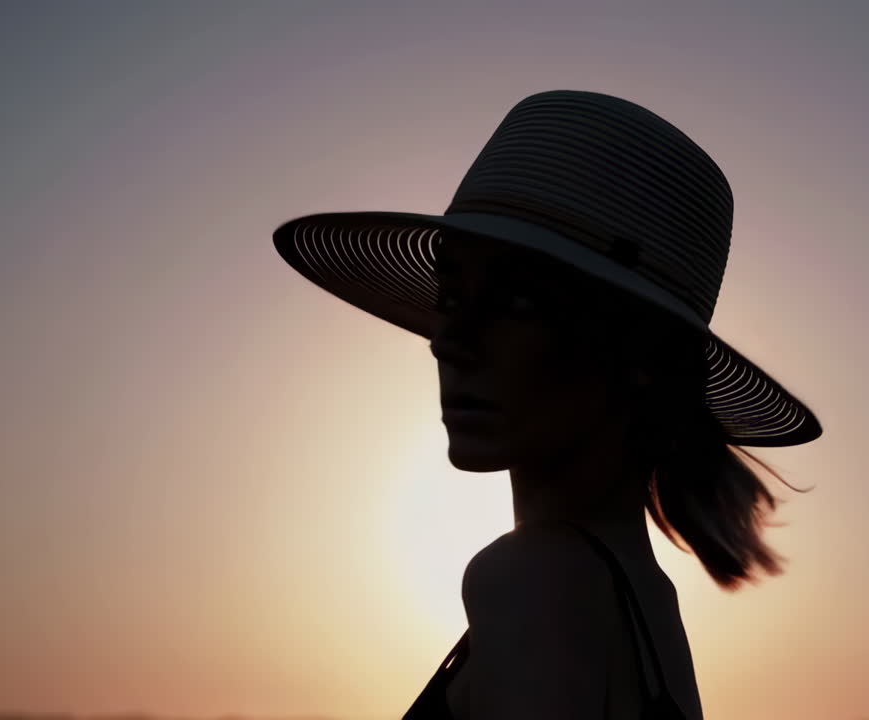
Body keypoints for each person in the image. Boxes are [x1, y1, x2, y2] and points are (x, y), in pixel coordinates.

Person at [272, 89, 823, 720]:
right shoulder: (645, 600)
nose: (447, 342)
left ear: (637, 353)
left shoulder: (531, 582)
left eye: (516, 301)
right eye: (452, 297)